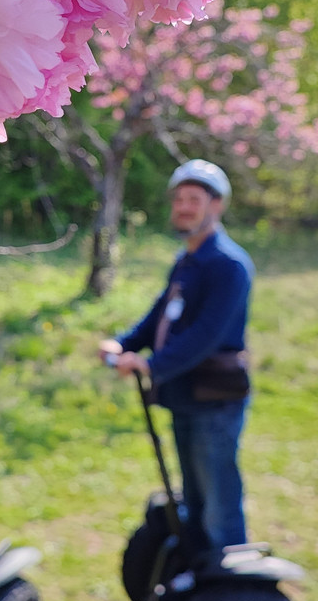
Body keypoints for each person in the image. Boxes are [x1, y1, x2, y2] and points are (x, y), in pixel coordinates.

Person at [100, 160, 254, 552]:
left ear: (216, 205)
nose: (183, 207)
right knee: (194, 496)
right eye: (179, 199)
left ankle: (229, 575)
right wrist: (123, 344)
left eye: (194, 200)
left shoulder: (229, 265)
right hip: (186, 395)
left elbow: (205, 335)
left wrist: (151, 365)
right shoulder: (186, 261)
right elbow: (159, 317)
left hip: (215, 401)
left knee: (218, 501)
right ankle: (198, 570)